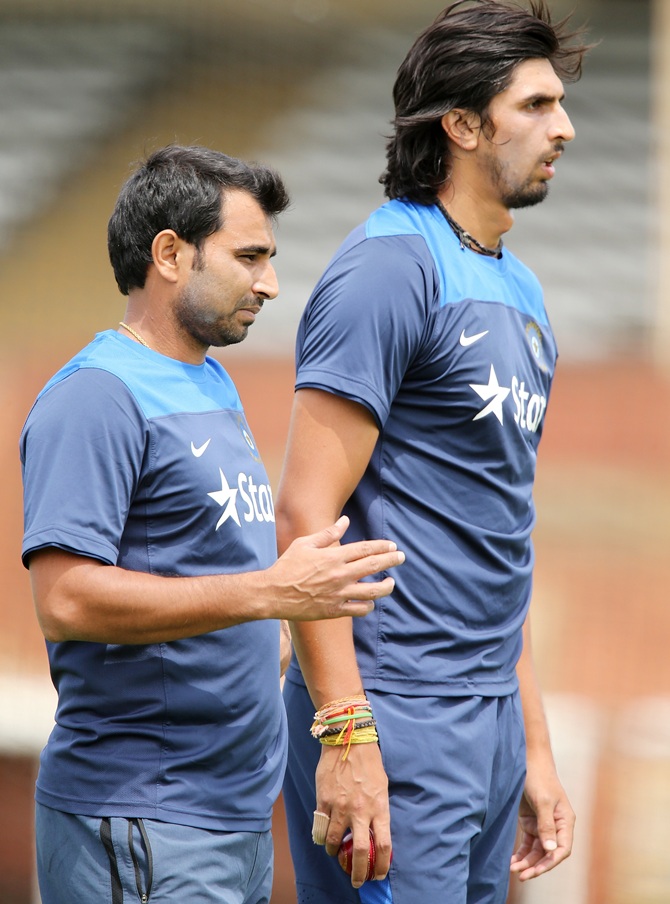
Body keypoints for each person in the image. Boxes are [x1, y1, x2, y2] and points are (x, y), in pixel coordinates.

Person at [19, 144, 405, 904]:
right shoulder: (96, 394)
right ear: (170, 254)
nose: (270, 282)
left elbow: (205, 567)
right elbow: (65, 602)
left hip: (228, 819)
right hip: (143, 815)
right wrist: (271, 595)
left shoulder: (209, 378)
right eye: (249, 256)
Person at [276, 2, 591, 902]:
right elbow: (304, 516)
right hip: (394, 703)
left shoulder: (520, 287)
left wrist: (531, 746)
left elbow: (498, 534)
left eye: (559, 103)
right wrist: (346, 735)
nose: (562, 127)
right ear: (460, 124)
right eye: (534, 104)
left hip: (487, 717)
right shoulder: (388, 267)